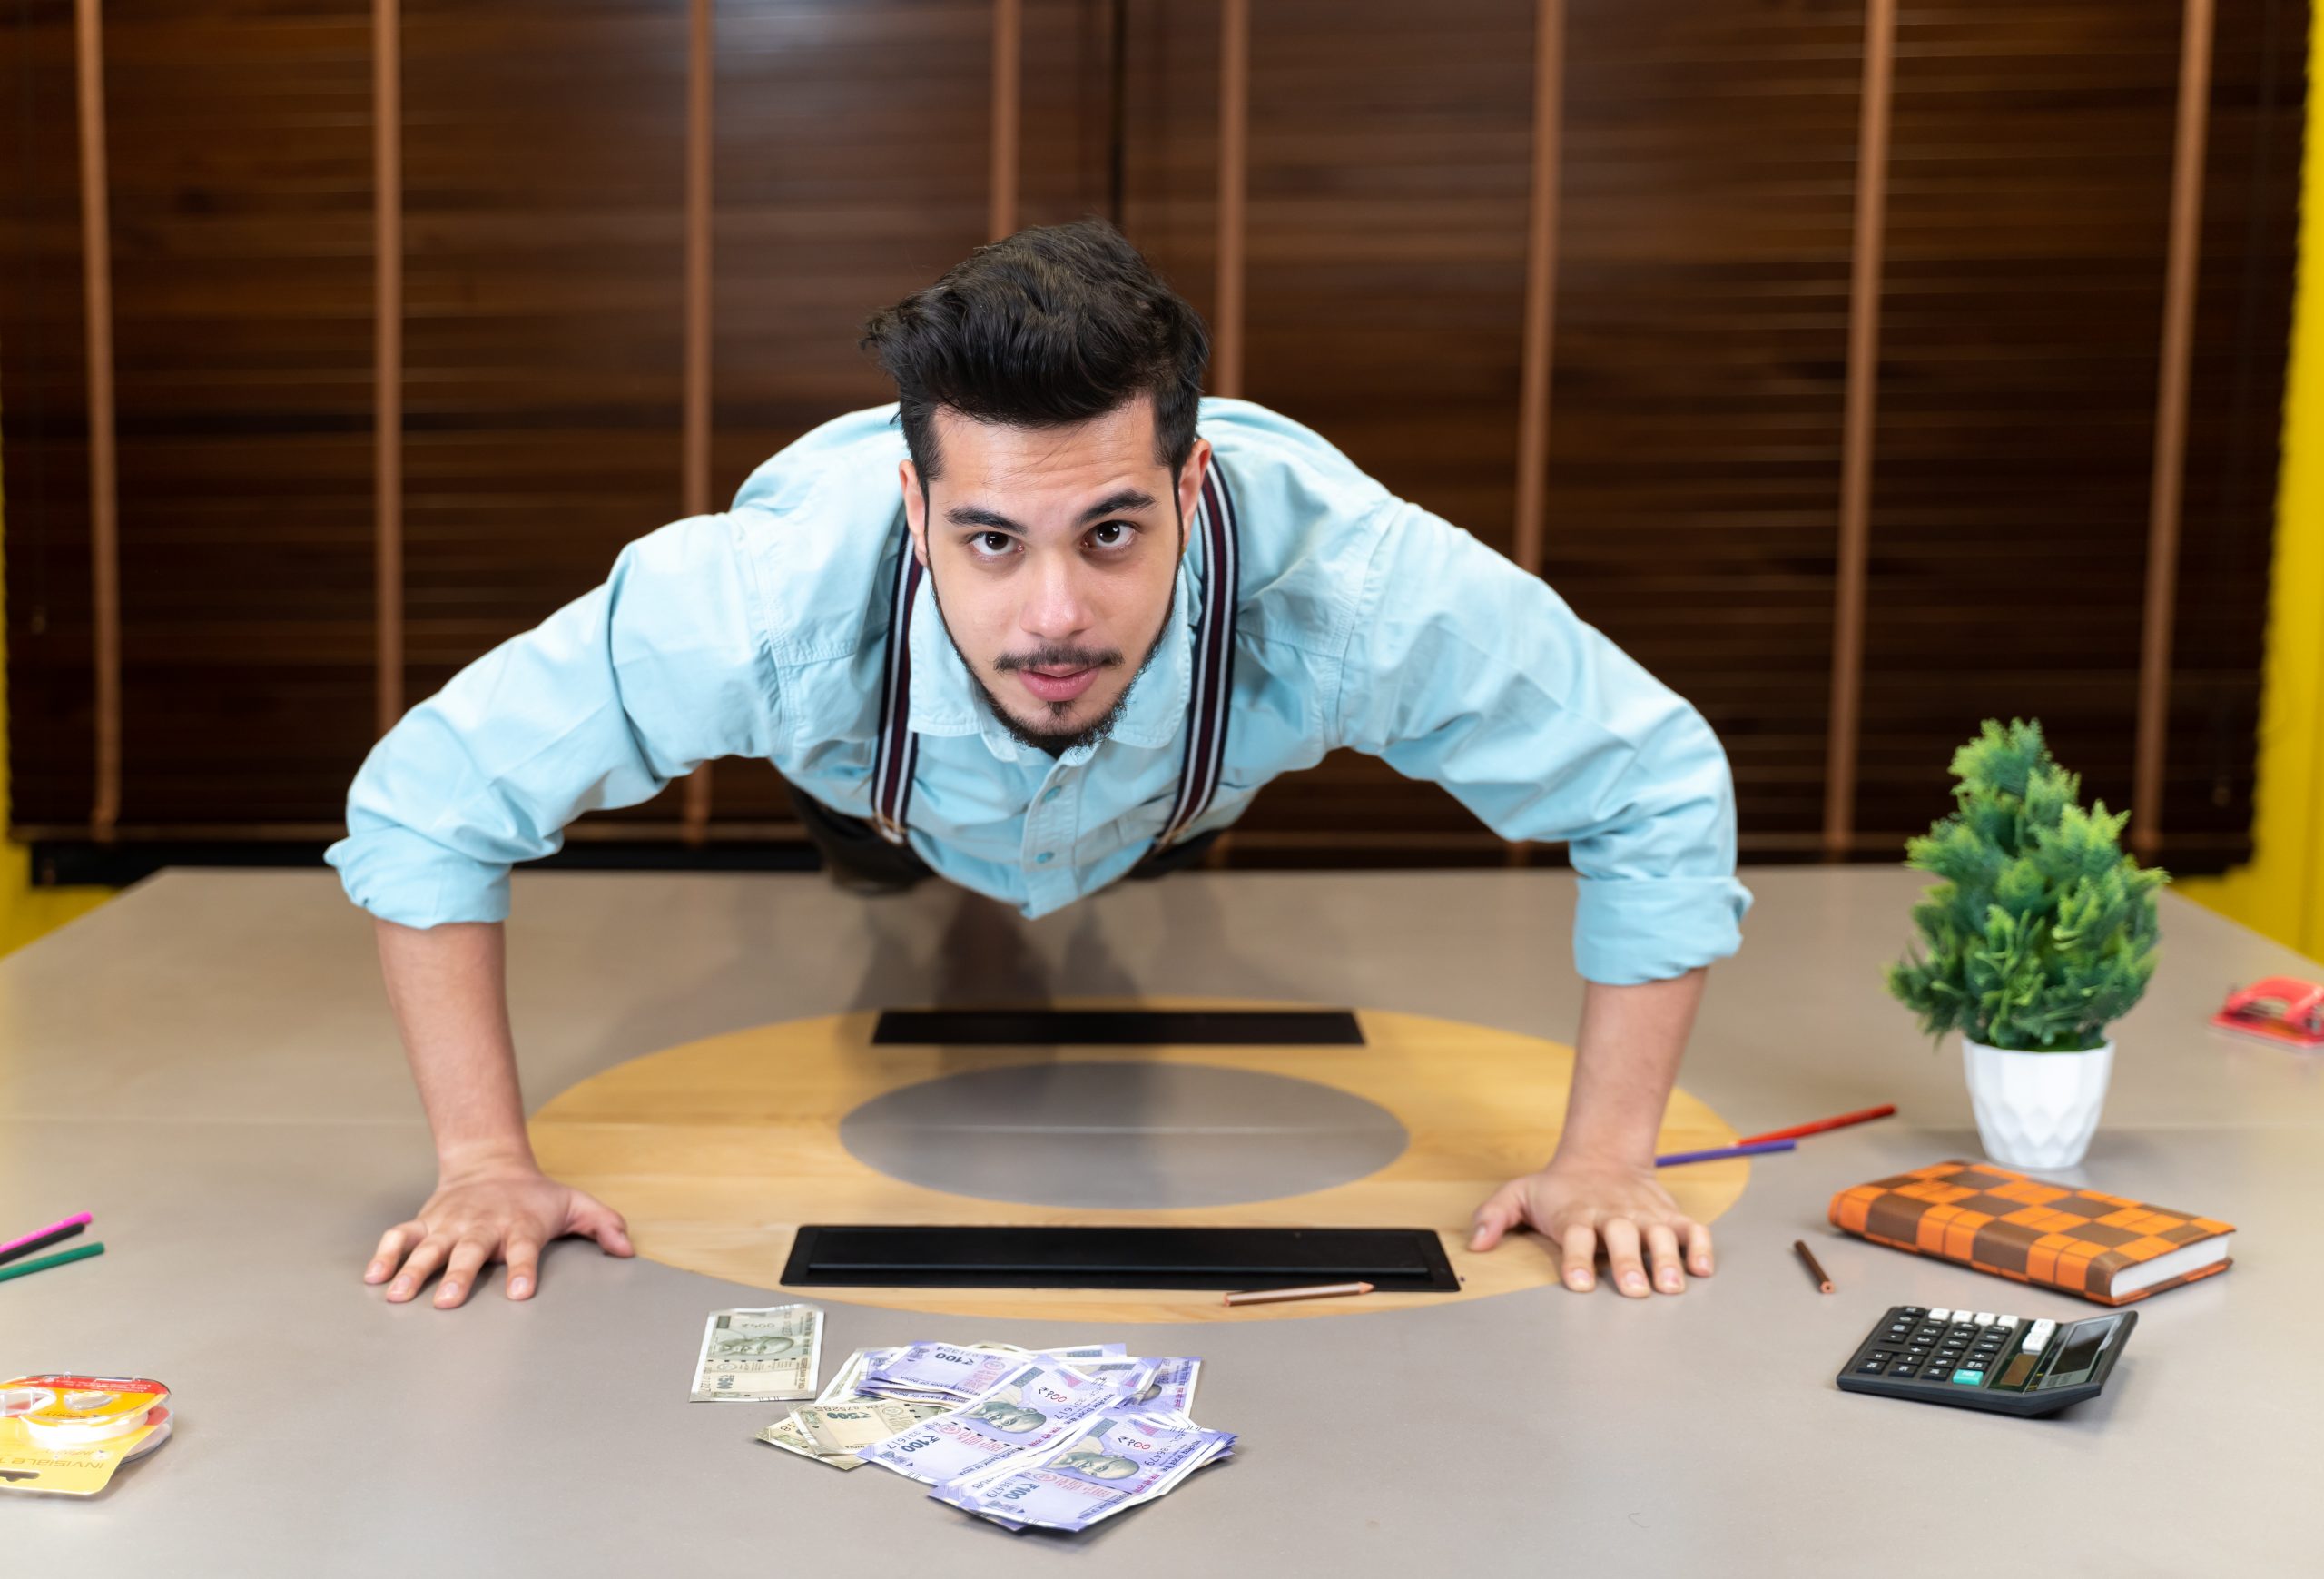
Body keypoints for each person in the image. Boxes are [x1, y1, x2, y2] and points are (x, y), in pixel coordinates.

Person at [328, 220, 1752, 1314]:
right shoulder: (761, 603)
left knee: (1144, 843)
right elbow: (426, 806)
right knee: (875, 866)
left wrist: (1608, 1158)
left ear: (1193, 492)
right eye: (993, 539)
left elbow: (1655, 785)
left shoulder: (1358, 587)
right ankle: (893, 850)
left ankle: (1131, 820)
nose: (1055, 613)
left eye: (1114, 534)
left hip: (1170, 793)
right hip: (873, 789)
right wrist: (482, 1167)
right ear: (917, 502)